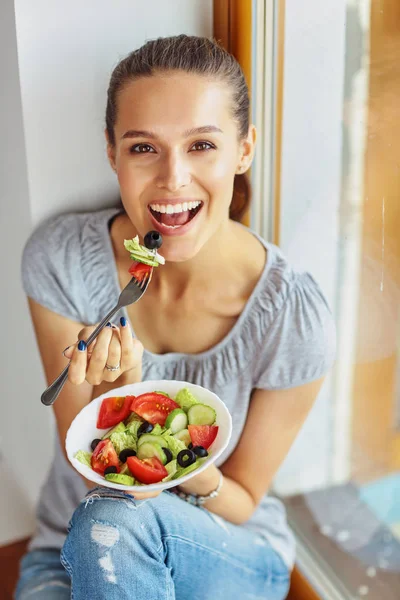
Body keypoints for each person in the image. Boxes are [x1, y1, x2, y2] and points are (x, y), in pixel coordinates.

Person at [15, 34, 336, 600]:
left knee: (112, 526)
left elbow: (238, 500)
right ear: (112, 152)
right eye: (143, 148)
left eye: (202, 146)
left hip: (227, 550)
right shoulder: (60, 260)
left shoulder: (294, 318)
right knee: (104, 530)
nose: (173, 179)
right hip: (68, 550)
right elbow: (94, 479)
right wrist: (120, 398)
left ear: (243, 149)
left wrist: (167, 446)